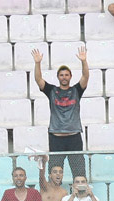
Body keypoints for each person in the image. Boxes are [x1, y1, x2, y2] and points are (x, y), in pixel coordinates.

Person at [32, 47, 89, 179]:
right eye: (61, 75)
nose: (64, 77)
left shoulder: (76, 90)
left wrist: (83, 61)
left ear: (70, 76)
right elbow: (38, 79)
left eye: (66, 75)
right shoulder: (51, 90)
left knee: (79, 171)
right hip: (56, 138)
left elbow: (86, 76)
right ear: (58, 77)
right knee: (54, 172)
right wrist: (37, 63)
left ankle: (80, 191)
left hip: (74, 137)